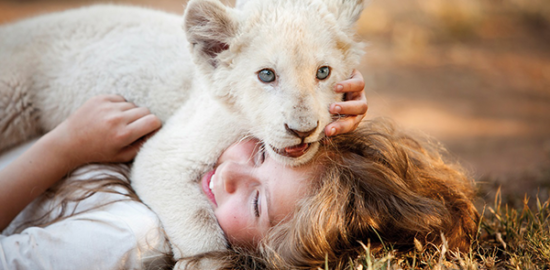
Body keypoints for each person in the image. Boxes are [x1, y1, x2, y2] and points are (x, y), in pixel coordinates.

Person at [0, 71, 368, 269]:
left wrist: (63, 148)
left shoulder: (130, 238)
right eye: (261, 152)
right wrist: (318, 83)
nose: (229, 174)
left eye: (257, 204)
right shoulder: (195, 146)